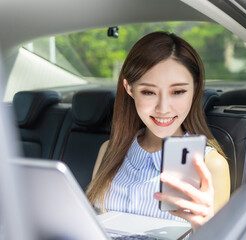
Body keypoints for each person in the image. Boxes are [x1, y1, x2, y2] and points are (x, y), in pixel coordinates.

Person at [86, 31, 230, 229]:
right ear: (129, 89)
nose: (163, 108)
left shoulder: (211, 165)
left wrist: (205, 228)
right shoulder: (109, 151)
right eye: (148, 92)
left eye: (178, 92)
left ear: (195, 89)